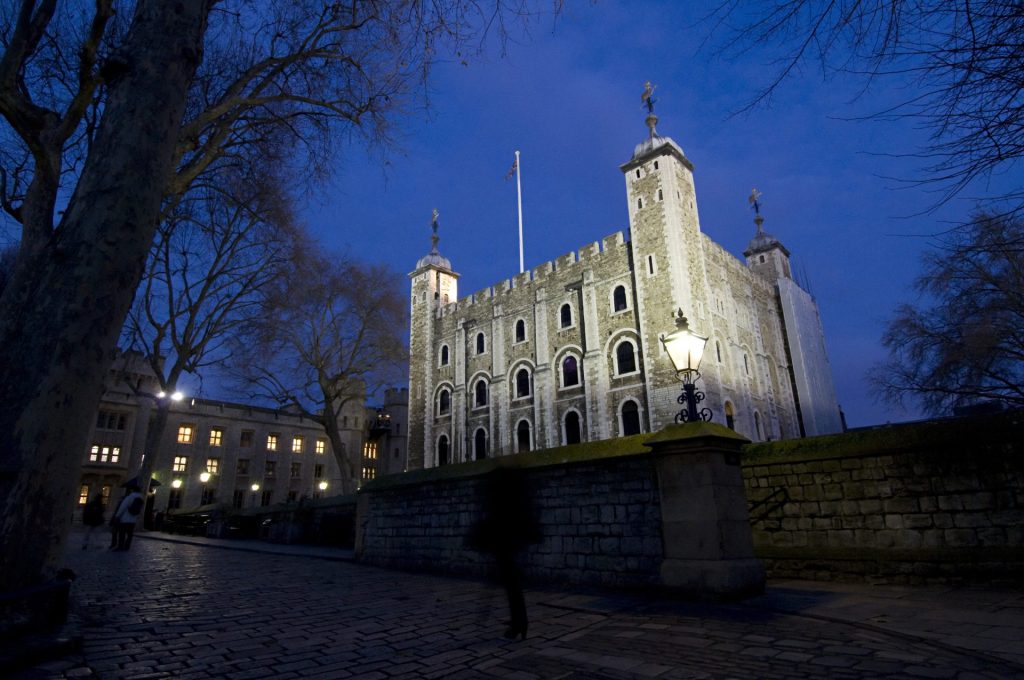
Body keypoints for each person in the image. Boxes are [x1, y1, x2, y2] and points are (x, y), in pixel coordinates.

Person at [467, 467, 541, 640]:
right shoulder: (515, 487)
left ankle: (518, 623)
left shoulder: (501, 491)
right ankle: (519, 622)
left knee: (510, 583)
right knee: (512, 584)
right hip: (511, 539)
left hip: (505, 540)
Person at [110, 482, 144, 551]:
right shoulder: (141, 498)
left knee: (122, 533)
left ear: (132, 490)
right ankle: (127, 546)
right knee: (130, 534)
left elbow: (123, 507)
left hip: (125, 519)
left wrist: (117, 516)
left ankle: (120, 546)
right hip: (133, 520)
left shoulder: (130, 497)